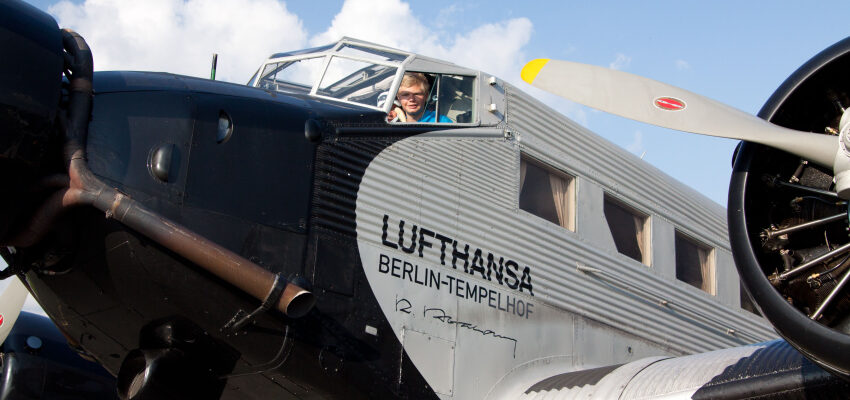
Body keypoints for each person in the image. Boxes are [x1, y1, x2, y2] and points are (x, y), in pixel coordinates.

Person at [388, 72, 452, 123]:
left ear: (426, 96)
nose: (411, 99)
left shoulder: (441, 121)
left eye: (417, 94)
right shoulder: (395, 123)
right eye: (406, 94)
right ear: (398, 97)